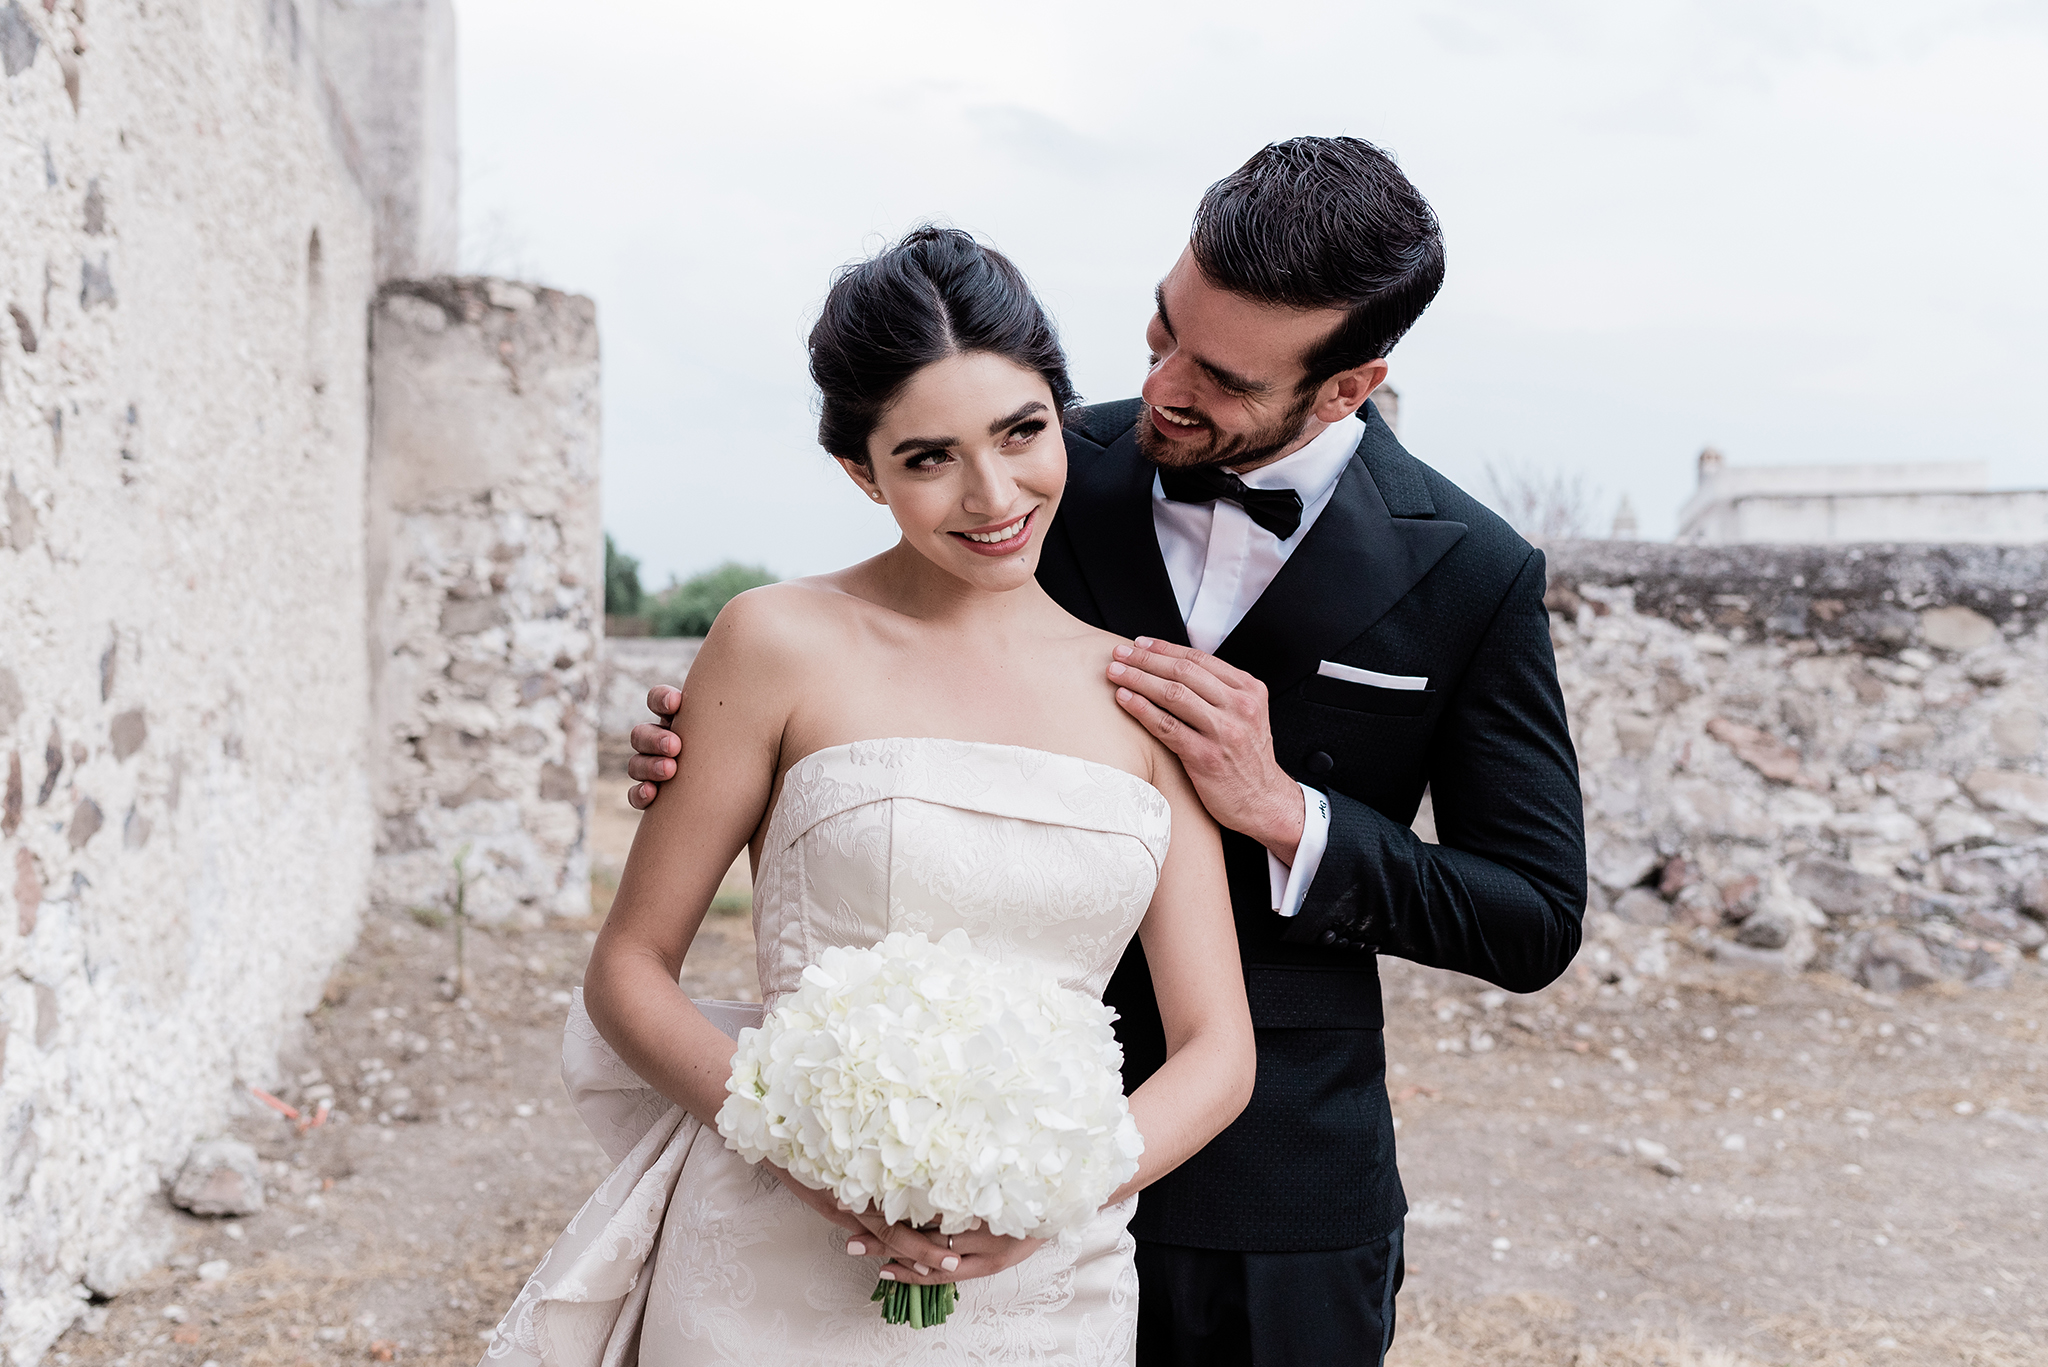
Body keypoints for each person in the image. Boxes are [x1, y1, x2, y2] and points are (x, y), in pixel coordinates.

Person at [629, 137, 1589, 1365]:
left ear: (1346, 387)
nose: (1163, 390)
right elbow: (855, 668)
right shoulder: (1023, 465)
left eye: (1221, 377)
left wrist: (1291, 813)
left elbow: (1531, 915)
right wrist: (706, 743)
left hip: (1271, 1186)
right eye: (1159, 333)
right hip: (894, 1159)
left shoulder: (1469, 569)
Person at [483, 228, 1256, 1366]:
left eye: (1021, 431)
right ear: (862, 471)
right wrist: (814, 1159)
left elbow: (1216, 1047)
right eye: (928, 456)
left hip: (1049, 1278)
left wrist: (1052, 1190)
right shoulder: (773, 640)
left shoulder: (1142, 687)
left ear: (1060, 410)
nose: (993, 494)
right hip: (776, 1254)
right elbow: (627, 972)